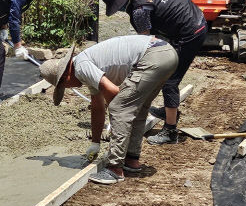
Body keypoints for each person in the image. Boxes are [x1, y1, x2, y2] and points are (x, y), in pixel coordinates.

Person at [40, 35, 178, 185]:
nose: (70, 88)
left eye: (65, 86)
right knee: (138, 108)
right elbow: (97, 107)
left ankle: (114, 169)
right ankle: (131, 160)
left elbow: (114, 93)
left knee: (120, 107)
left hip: (152, 56)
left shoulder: (81, 67)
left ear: (65, 76)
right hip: (166, 53)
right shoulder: (86, 67)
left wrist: (118, 125)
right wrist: (95, 142)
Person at [100, 0, 207, 144]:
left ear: (122, 3)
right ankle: (168, 110)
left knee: (170, 79)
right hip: (193, 19)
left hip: (190, 32)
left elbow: (146, 46)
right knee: (163, 69)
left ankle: (170, 131)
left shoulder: (139, 11)